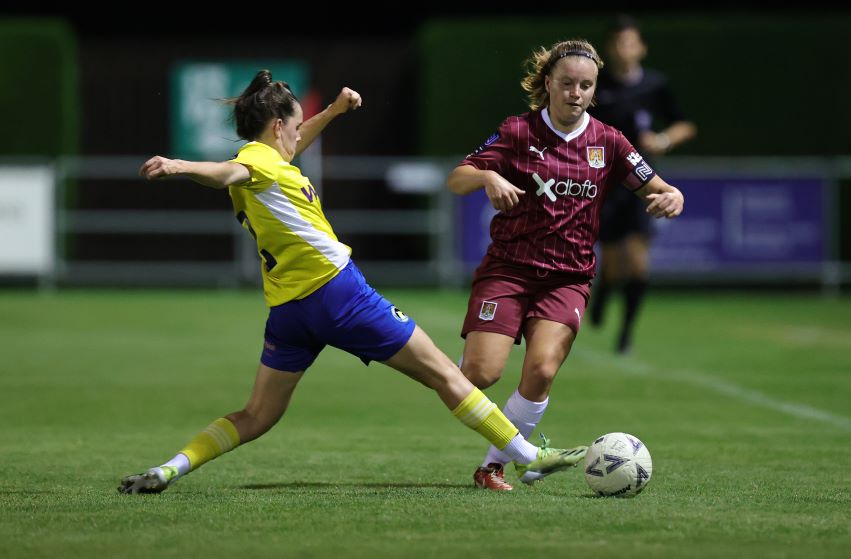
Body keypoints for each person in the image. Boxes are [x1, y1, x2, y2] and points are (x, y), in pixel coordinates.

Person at [119, 70, 586, 495]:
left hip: (290, 313)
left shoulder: (267, 162)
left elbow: (270, 155)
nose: (300, 133)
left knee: (258, 414)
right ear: (277, 126)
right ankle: (528, 455)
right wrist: (181, 166)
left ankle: (169, 469)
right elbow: (226, 174)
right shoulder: (256, 164)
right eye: (296, 124)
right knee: (446, 374)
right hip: (340, 295)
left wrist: (332, 112)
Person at [446, 39, 684, 491]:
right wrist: (487, 175)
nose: (576, 92)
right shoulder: (518, 131)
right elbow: (458, 178)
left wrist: (672, 195)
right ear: (548, 84)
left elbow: (658, 186)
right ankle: (525, 451)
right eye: (567, 83)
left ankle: (492, 466)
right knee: (480, 375)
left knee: (542, 370)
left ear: (594, 91)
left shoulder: (608, 142)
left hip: (568, 277)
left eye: (586, 85)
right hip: (509, 268)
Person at [588, 15, 697, 354]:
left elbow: (684, 124)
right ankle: (604, 293)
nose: (625, 48)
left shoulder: (654, 85)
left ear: (642, 48)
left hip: (641, 180)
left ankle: (626, 333)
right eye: (619, 42)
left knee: (637, 260)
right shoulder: (596, 85)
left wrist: (662, 140)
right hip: (605, 184)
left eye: (631, 42)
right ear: (610, 48)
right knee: (612, 261)